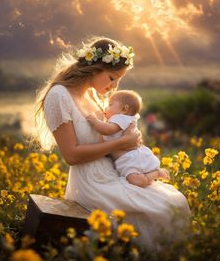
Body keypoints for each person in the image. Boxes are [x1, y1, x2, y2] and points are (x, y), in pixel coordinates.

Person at [35, 37, 190, 250]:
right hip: (91, 183)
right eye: (111, 78)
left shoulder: (90, 94)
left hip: (112, 173)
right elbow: (71, 155)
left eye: (118, 81)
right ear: (95, 67)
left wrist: (129, 140)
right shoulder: (59, 95)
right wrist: (121, 143)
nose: (113, 87)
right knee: (163, 207)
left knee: (175, 200)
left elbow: (110, 134)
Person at [86, 90, 170, 187]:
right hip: (128, 159)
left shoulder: (120, 118)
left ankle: (157, 174)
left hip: (130, 159)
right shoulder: (122, 119)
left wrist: (95, 121)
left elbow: (107, 130)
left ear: (124, 109)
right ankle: (154, 174)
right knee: (137, 180)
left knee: (137, 181)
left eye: (110, 105)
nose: (106, 107)